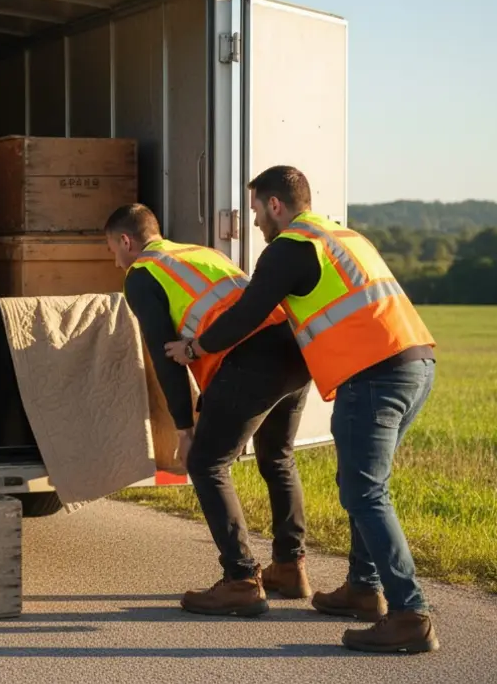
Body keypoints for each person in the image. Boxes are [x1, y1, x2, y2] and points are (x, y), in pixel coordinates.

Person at [165, 165, 439, 654]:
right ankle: (363, 588)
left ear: (275, 205)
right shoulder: (344, 235)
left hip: (372, 374)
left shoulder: (292, 246)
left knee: (364, 493)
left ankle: (409, 613)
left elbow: (248, 313)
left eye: (254, 211)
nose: (253, 223)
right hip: (415, 362)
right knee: (365, 488)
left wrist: (195, 347)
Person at [105, 203, 314, 618]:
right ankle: (290, 568)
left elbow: (166, 356)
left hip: (248, 360)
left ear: (127, 241)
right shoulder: (202, 253)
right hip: (293, 350)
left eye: (112, 249)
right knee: (277, 457)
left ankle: (240, 581)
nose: (115, 259)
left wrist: (184, 427)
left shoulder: (142, 275)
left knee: (206, 463)